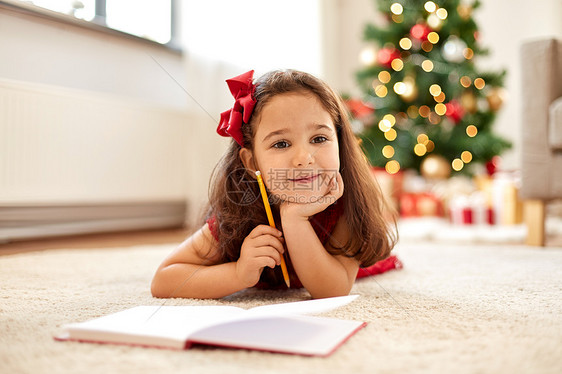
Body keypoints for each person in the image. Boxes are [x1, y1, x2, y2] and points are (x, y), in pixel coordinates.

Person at [151, 69, 399, 299]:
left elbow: (333, 290)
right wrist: (238, 273)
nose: (304, 158)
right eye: (281, 144)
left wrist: (295, 219)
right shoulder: (238, 212)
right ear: (251, 162)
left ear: (340, 143)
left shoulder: (345, 205)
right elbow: (164, 280)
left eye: (319, 138)